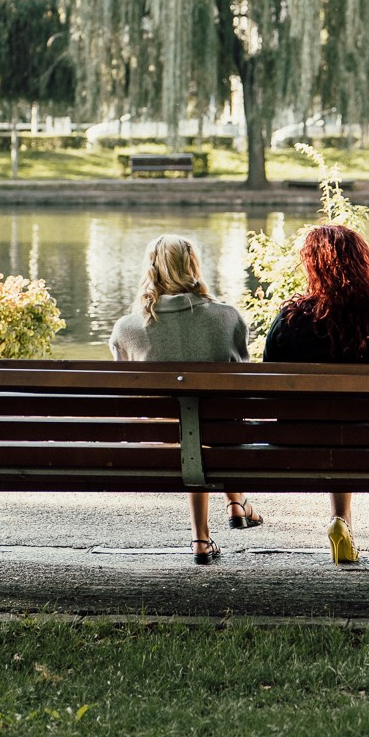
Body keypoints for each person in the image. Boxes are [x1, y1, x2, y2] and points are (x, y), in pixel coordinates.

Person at [261, 224, 369, 564]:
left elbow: (269, 387)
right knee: (348, 427)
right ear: (365, 264)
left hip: (298, 441)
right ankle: (342, 521)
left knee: (333, 427)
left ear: (312, 265)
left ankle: (341, 521)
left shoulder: (290, 320)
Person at [108, 234, 261, 564]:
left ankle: (205, 534)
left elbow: (124, 392)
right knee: (209, 424)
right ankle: (230, 509)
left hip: (156, 444)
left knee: (189, 427)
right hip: (220, 437)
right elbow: (240, 388)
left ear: (152, 270)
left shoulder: (126, 328)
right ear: (194, 266)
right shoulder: (228, 318)